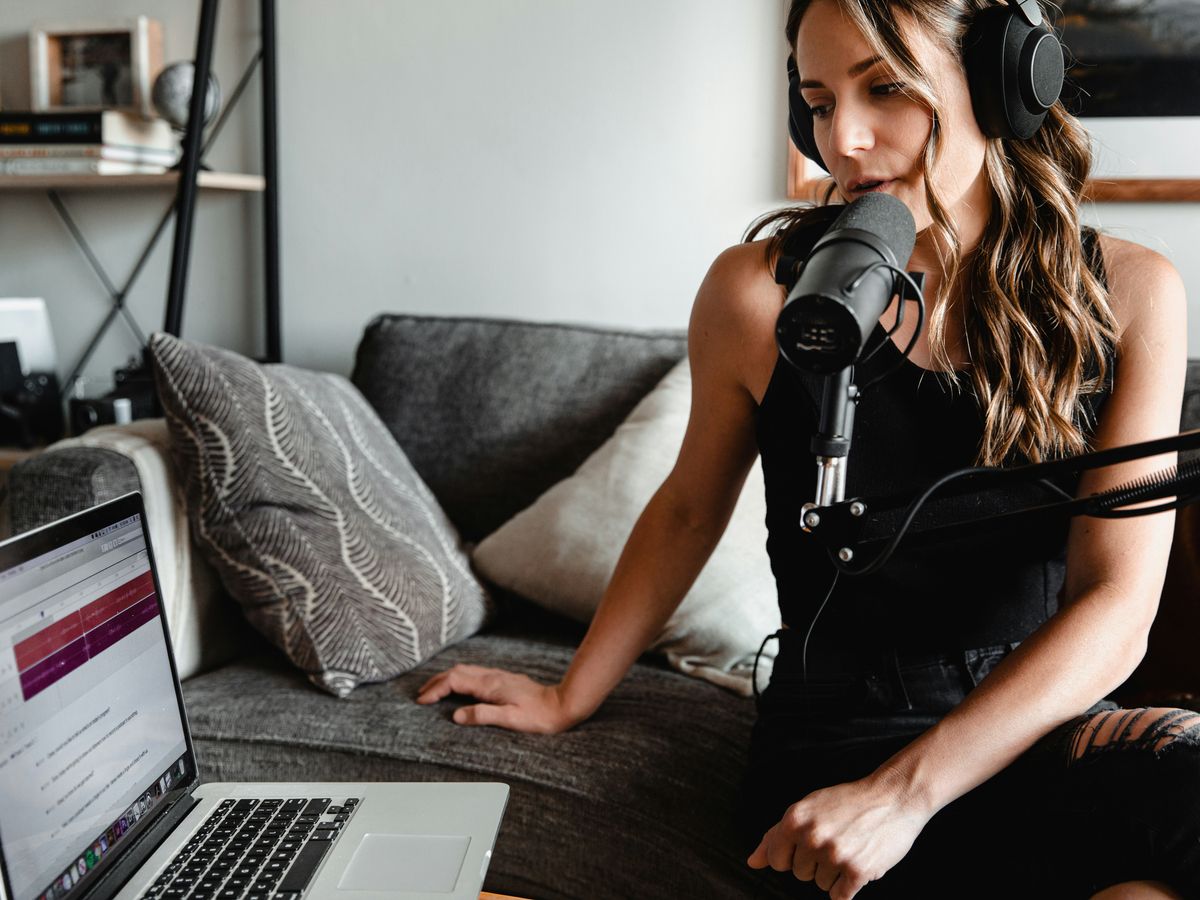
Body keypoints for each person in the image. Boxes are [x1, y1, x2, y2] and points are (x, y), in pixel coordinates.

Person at [417, 0, 1199, 895]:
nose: (846, 140)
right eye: (819, 102)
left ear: (999, 83)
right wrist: (569, 695)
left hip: (1037, 719)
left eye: (885, 89)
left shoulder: (1134, 294)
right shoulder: (755, 295)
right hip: (837, 735)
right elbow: (686, 508)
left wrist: (904, 799)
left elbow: (1118, 606)